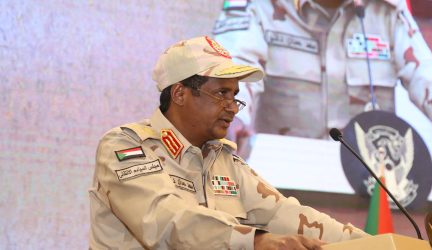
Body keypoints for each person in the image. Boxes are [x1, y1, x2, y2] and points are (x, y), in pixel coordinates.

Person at [88, 35, 368, 249]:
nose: (233, 107)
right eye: (222, 93)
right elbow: (166, 221)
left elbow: (286, 214)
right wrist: (255, 241)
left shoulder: (224, 160)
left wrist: (373, 243)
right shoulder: (125, 147)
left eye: (235, 96)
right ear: (180, 94)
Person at [213, 0, 432, 158]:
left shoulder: (385, 12)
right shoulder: (258, 6)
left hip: (367, 191)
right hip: (282, 189)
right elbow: (237, 66)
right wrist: (232, 116)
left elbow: (429, 80)